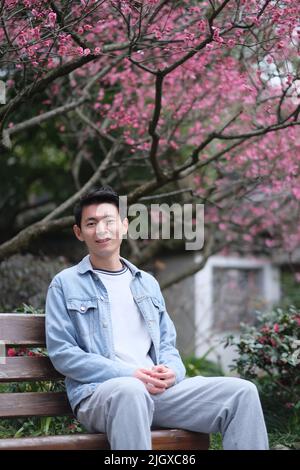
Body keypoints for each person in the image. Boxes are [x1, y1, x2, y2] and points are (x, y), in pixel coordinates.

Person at [45, 186, 269, 450]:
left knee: (242, 393)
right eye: (91, 223)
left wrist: (172, 372)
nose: (101, 230)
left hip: (156, 392)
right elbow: (63, 353)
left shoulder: (146, 283)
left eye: (109, 221)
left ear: (124, 226)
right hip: (99, 394)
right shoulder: (65, 284)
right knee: (131, 390)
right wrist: (130, 374)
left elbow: (166, 345)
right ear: (79, 233)